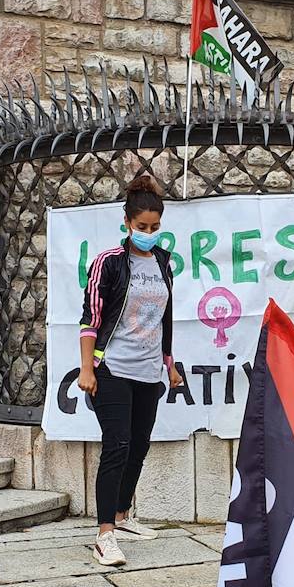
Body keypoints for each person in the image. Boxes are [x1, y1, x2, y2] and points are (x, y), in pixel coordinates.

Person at [77, 174, 184, 566]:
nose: (149, 234)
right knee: (117, 447)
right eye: (142, 227)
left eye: (155, 228)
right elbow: (90, 318)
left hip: (148, 372)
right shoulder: (109, 263)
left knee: (138, 446)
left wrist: (169, 365)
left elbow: (163, 318)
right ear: (127, 223)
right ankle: (104, 534)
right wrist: (86, 369)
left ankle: (122, 517)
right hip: (112, 369)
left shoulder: (163, 262)